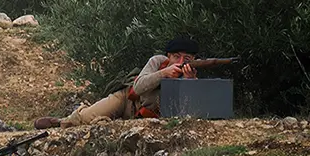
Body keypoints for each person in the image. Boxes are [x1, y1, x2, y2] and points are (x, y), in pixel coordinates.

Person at [34, 37, 199, 129]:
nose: (181, 61)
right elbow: (139, 86)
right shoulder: (158, 62)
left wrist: (190, 83)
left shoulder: (191, 77)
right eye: (177, 56)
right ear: (169, 56)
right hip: (127, 99)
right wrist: (163, 74)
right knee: (85, 118)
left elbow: (189, 111)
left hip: (145, 116)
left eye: (187, 59)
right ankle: (61, 122)